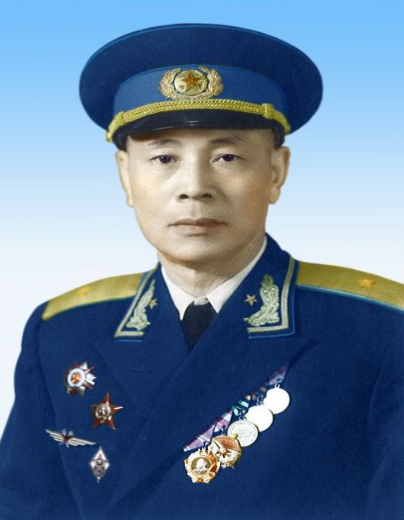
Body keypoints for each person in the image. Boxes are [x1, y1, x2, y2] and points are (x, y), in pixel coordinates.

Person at [0, 23, 403, 520]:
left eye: (226, 156)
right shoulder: (63, 332)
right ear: (126, 175)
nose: (194, 186)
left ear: (276, 172)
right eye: (164, 157)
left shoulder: (378, 330)